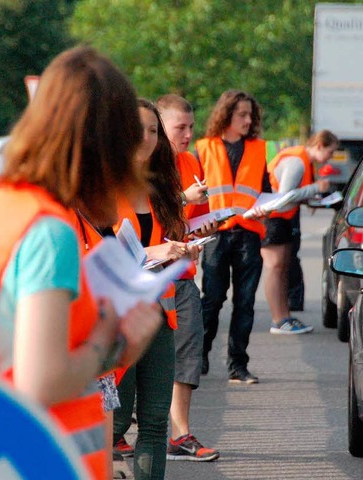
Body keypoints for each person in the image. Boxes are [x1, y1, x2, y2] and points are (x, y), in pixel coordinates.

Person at [0, 46, 164, 479]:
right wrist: (109, 342)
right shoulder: (51, 232)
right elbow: (40, 382)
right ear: (107, 146)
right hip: (35, 461)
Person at [112, 98, 198, 480]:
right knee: (112, 425)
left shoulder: (159, 189)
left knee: (154, 423)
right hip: (115, 321)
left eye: (153, 131)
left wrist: (182, 248)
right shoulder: (100, 188)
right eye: (139, 130)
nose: (147, 139)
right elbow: (95, 253)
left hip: (160, 317)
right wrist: (157, 250)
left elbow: (166, 245)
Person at [156, 94, 220, 462]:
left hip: (182, 274)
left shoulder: (191, 160)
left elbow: (188, 224)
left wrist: (203, 229)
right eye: (180, 127)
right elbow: (142, 222)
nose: (188, 133)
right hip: (147, 278)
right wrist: (183, 197)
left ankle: (181, 434)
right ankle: (117, 433)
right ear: (159, 126)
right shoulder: (143, 166)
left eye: (191, 126)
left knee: (188, 351)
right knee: (137, 362)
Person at [195, 89, 270, 384]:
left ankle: (238, 366)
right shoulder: (204, 148)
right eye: (242, 114)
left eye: (250, 115)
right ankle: (199, 357)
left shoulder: (259, 149)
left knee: (245, 302)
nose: (248, 120)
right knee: (212, 299)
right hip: (216, 235)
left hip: (249, 234)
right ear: (226, 115)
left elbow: (265, 188)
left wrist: (268, 206)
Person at [253, 130, 338, 334]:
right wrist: (315, 189)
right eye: (330, 152)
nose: (330, 158)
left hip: (280, 219)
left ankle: (285, 316)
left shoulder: (304, 161)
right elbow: (284, 197)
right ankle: (278, 319)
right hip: (272, 219)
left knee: (282, 268)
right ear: (319, 145)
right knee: (275, 268)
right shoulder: (297, 162)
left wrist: (312, 197)